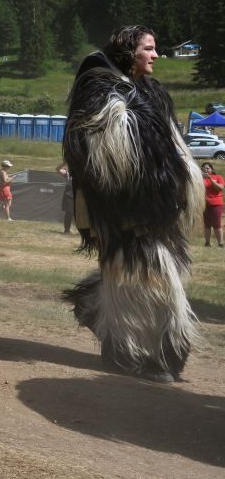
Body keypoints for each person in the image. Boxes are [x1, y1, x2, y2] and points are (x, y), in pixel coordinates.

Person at [63, 25, 202, 383]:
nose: (156, 55)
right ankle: (139, 353)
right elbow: (99, 148)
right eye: (149, 48)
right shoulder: (100, 87)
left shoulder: (149, 93)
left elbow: (170, 143)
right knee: (135, 277)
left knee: (152, 276)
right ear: (129, 51)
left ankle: (147, 351)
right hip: (124, 210)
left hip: (155, 209)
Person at [201, 162, 224, 247]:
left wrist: (210, 179)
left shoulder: (218, 177)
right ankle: (207, 243)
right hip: (205, 204)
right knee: (207, 225)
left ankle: (220, 243)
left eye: (208, 168)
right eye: (204, 168)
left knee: (217, 224)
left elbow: (220, 188)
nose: (206, 170)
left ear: (212, 169)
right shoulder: (200, 179)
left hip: (216, 204)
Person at [57, 163, 74, 234]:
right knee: (69, 212)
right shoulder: (67, 174)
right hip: (69, 195)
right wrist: (65, 162)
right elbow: (58, 169)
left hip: (78, 195)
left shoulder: (81, 173)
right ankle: (67, 230)